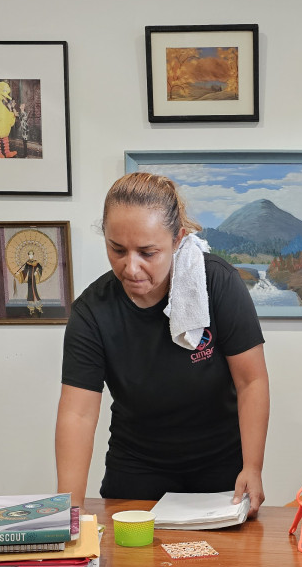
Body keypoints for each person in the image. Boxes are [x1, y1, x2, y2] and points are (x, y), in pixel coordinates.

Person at [56, 172, 269, 515]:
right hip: (136, 466)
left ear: (178, 239)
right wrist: (70, 509)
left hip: (219, 464)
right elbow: (77, 413)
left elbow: (251, 381)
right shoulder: (92, 312)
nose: (131, 267)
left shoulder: (218, 284)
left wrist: (253, 467)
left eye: (147, 252)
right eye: (117, 250)